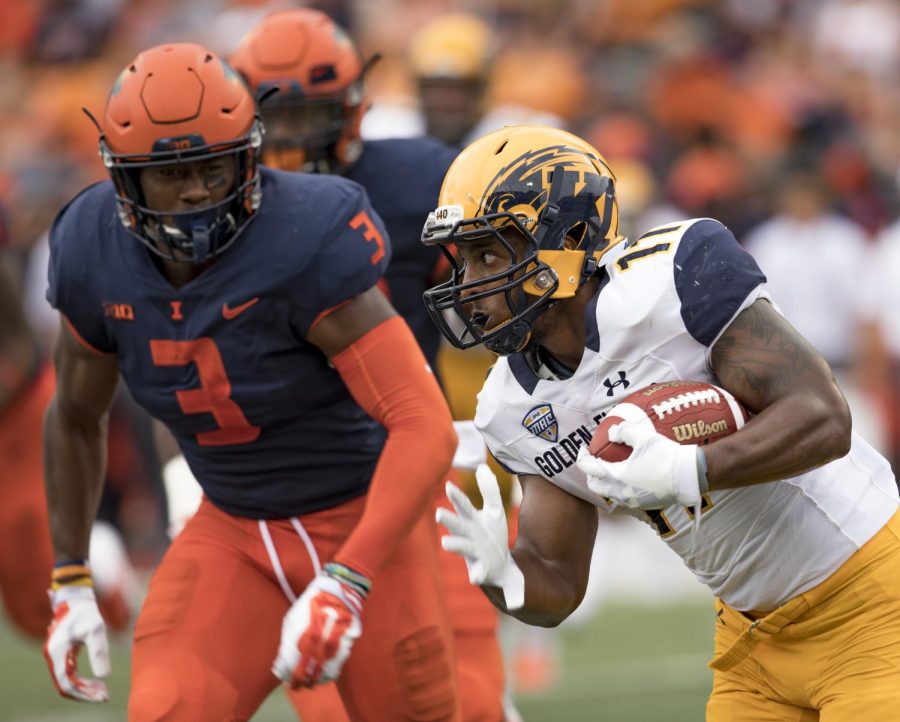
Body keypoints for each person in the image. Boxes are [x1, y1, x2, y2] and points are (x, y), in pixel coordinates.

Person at [41, 42, 460, 722]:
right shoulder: (92, 248)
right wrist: (69, 576)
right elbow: (74, 415)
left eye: (214, 164)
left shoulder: (306, 235)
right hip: (232, 529)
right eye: (171, 172)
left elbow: (422, 421)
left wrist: (349, 580)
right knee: (167, 708)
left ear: (250, 153)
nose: (200, 188)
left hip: (362, 518)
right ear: (126, 181)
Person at [425, 124, 900, 720]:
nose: (471, 287)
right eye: (464, 260)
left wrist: (691, 469)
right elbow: (556, 579)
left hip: (872, 599)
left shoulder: (673, 277)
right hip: (752, 641)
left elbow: (824, 418)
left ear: (569, 236)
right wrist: (502, 576)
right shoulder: (509, 407)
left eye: (489, 253)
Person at [229, 10, 515, 721]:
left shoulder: (419, 177)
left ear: (353, 106)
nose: (293, 137)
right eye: (279, 116)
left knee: (467, 696)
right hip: (289, 473)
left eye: (312, 114)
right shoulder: (215, 208)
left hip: (409, 454)